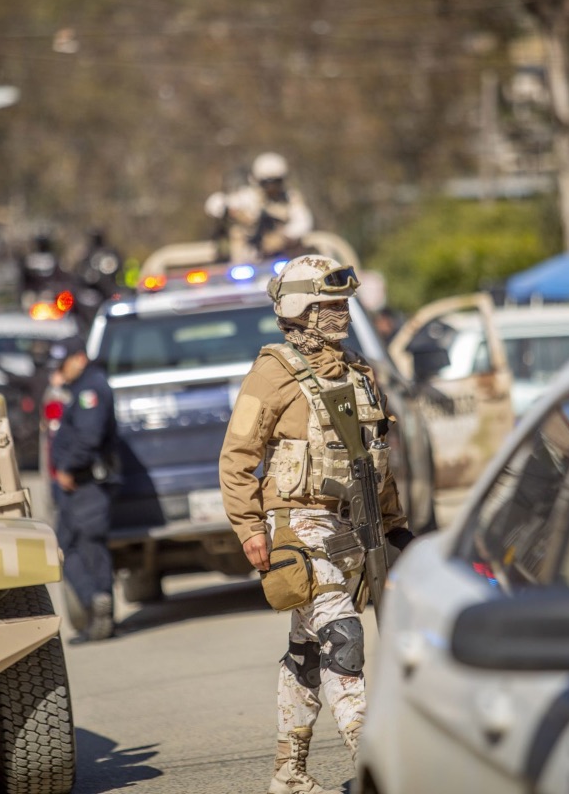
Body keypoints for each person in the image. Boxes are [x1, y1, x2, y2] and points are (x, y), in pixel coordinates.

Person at [219, 254, 415, 793]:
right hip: (298, 526)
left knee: (308, 653)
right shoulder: (272, 373)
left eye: (343, 304)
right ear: (301, 309)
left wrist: (395, 526)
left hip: (354, 529)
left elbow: (374, 461)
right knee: (343, 637)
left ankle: (289, 773)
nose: (341, 313)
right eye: (329, 304)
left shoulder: (359, 373)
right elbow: (237, 457)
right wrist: (249, 528)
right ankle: (383, 771)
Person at [49, 334, 121, 644]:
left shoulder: (90, 389)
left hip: (86, 483)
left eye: (62, 365)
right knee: (68, 546)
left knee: (89, 547)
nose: (59, 372)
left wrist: (68, 467)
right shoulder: (82, 387)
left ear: (79, 359)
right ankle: (96, 604)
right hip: (79, 486)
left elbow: (89, 436)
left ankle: (98, 604)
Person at [206, 152, 314, 264]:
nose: (271, 187)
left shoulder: (290, 199)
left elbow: (303, 223)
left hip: (283, 258)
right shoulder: (248, 197)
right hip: (247, 259)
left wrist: (282, 237)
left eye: (276, 182)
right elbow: (215, 204)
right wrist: (233, 212)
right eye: (267, 183)